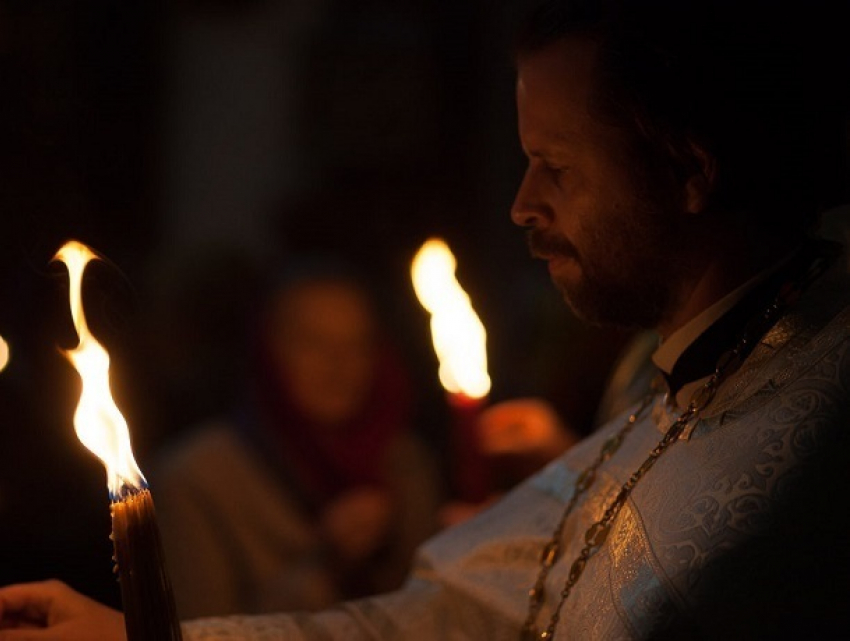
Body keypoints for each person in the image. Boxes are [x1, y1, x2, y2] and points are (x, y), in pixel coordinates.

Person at [2, 0, 849, 638]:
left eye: (554, 167)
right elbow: (449, 616)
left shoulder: (813, 452)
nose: (521, 206)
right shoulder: (673, 382)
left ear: (690, 172)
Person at [149, 262, 441, 617]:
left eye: (357, 344)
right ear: (268, 352)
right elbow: (198, 631)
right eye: (312, 343)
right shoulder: (195, 479)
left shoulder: (404, 461)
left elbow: (433, 612)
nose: (339, 364)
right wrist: (326, 564)